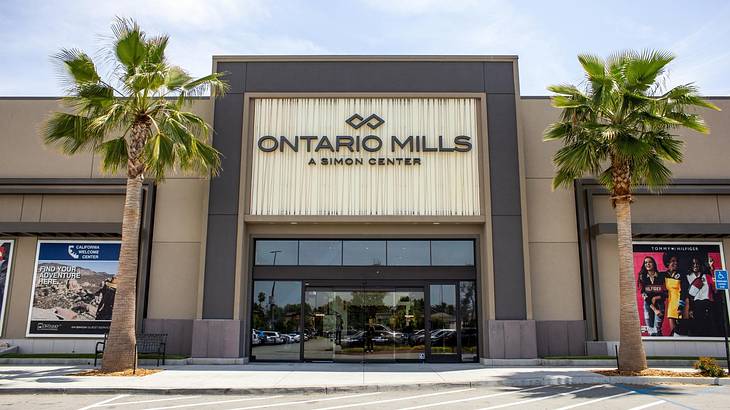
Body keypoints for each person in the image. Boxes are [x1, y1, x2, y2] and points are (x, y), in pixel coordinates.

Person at [686, 256, 718, 337]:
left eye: (697, 263)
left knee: (711, 328)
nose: (695, 265)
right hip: (696, 305)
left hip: (709, 304)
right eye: (693, 264)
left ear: (700, 265)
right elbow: (688, 296)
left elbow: (716, 287)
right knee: (698, 329)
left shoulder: (707, 276)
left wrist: (712, 268)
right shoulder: (687, 277)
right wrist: (690, 309)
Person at [637, 256, 667, 336]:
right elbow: (644, 295)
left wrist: (656, 297)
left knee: (657, 330)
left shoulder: (661, 276)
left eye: (650, 262)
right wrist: (654, 309)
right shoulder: (642, 276)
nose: (648, 264)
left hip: (660, 305)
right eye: (646, 262)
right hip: (648, 305)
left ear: (654, 263)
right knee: (651, 331)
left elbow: (665, 293)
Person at [663, 254, 688, 336]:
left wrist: (680, 306)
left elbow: (684, 291)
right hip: (671, 305)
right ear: (667, 263)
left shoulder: (682, 274)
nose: (675, 263)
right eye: (673, 261)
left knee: (682, 331)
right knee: (674, 332)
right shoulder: (664, 275)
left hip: (681, 303)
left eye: (676, 261)